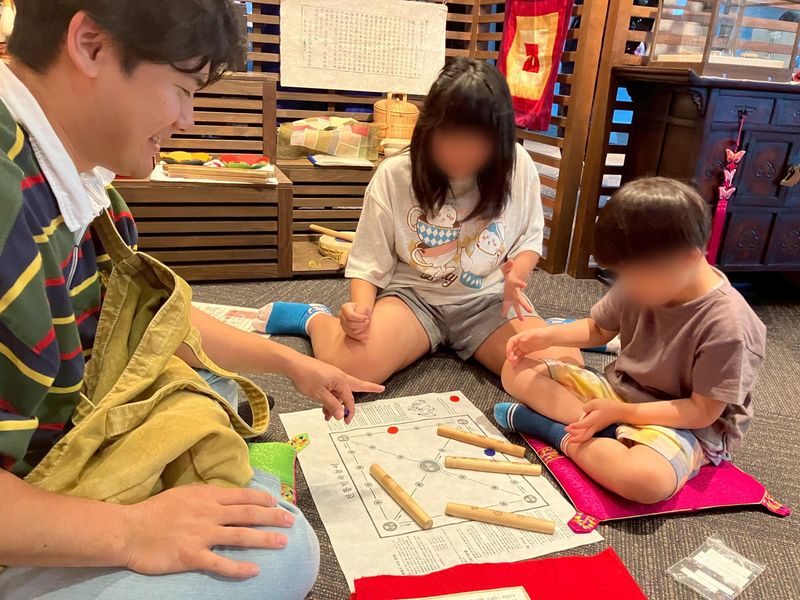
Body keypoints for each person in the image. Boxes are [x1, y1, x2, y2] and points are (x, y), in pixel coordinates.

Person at [0, 2, 383, 598]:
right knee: (281, 554)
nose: (188, 118)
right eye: (182, 89)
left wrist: (290, 362)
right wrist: (132, 532)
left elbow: (149, 324)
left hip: (73, 419)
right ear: (90, 45)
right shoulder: (9, 206)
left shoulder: (72, 176)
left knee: (212, 388)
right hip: (34, 484)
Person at [256, 58, 581, 391]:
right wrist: (360, 312)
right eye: (451, 137)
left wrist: (518, 274)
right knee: (348, 369)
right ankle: (313, 318)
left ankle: (551, 326)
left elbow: (529, 236)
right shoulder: (396, 173)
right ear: (429, 128)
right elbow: (369, 260)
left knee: (566, 371)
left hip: (488, 302)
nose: (463, 153)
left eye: (479, 141)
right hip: (413, 299)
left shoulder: (516, 164)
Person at [499, 177, 766, 504]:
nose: (627, 285)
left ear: (686, 259)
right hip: (620, 391)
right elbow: (599, 330)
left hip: (682, 422)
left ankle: (556, 432)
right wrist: (547, 336)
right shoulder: (640, 279)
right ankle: (596, 429)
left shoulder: (729, 326)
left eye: (634, 275)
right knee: (514, 370)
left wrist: (621, 413)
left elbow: (702, 412)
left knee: (646, 481)